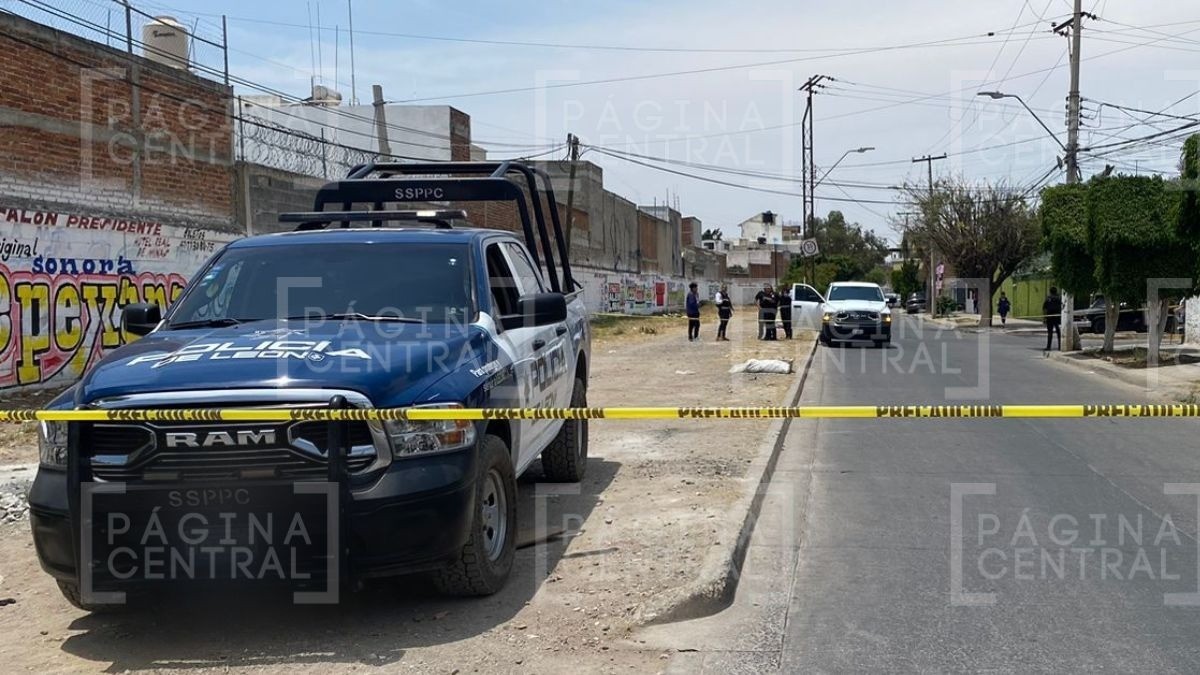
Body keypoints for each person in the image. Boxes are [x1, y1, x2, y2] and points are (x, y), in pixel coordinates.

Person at [1043, 286, 1063, 351]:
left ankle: (1048, 347)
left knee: (1050, 332)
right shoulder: (1059, 298)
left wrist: (1045, 317)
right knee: (1058, 332)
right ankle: (1060, 346)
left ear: (1050, 291)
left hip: (1050, 317)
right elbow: (1062, 306)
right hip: (1057, 317)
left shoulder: (1048, 298)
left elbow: (1044, 308)